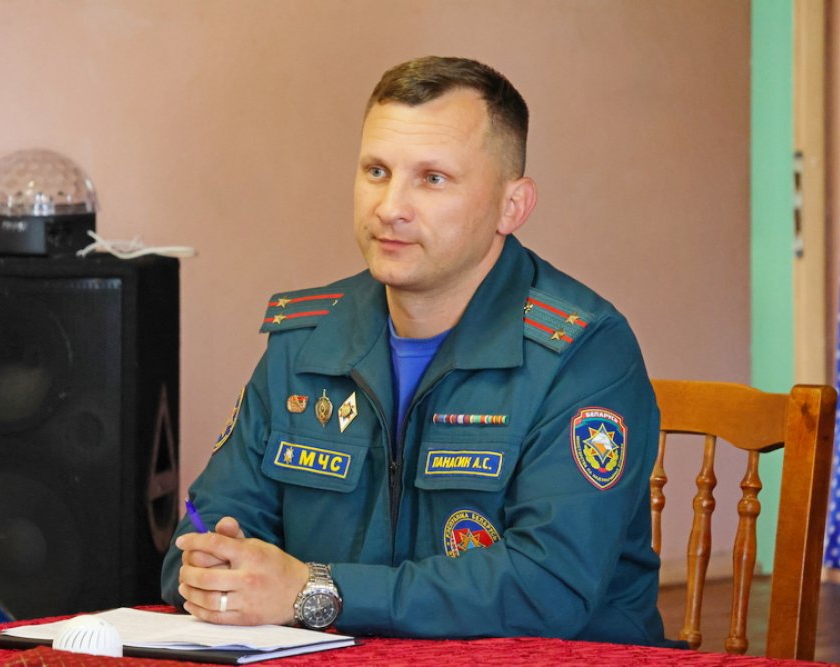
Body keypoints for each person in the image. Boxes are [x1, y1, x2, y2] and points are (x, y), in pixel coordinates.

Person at [161, 55, 669, 646]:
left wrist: (315, 592)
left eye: (432, 179)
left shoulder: (583, 353)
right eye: (376, 171)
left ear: (512, 206)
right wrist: (214, 570)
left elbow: (548, 588)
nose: (390, 207)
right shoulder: (304, 340)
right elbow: (197, 533)